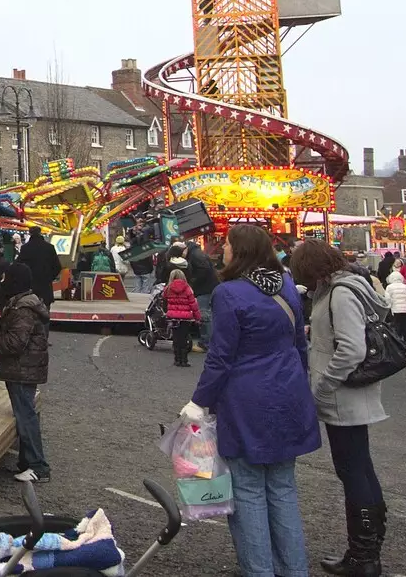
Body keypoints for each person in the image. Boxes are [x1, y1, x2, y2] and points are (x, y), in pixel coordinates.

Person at [190, 223, 318, 577]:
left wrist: (199, 400)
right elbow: (299, 345)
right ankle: (294, 571)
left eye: (228, 245)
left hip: (246, 401)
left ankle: (259, 570)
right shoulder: (288, 286)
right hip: (288, 394)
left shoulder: (228, 293)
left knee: (247, 491)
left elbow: (220, 357)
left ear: (239, 252)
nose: (224, 250)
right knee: (283, 489)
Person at [288, 239, 390, 577]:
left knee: (353, 471)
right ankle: (368, 549)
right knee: (361, 469)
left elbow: (350, 349)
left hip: (342, 397)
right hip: (350, 396)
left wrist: (322, 385)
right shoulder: (343, 287)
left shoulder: (341, 293)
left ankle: (363, 556)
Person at [0, 260, 51, 483]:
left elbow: (16, 342)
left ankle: (38, 466)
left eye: (6, 277)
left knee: (26, 416)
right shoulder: (26, 303)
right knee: (24, 414)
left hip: (22, 369)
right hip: (25, 368)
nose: (3, 281)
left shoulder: (22, 308)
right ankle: (27, 461)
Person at [182, 239, 220, 350]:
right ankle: (209, 341)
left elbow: (203, 270)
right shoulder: (196, 253)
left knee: (204, 315)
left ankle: (206, 343)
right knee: (208, 314)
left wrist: (193, 282)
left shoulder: (195, 255)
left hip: (205, 288)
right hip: (209, 286)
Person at [162, 267, 202, 367]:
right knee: (184, 338)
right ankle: (184, 360)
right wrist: (197, 318)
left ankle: (177, 359)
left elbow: (164, 299)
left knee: (175, 338)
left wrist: (167, 312)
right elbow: (193, 305)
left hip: (173, 317)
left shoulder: (168, 288)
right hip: (185, 318)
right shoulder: (187, 288)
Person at [16, 225, 60, 306]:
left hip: (30, 285)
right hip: (45, 284)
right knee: (45, 309)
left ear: (30, 233)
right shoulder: (49, 247)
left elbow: (19, 265)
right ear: (40, 233)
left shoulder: (25, 248)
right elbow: (57, 266)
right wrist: (50, 277)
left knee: (31, 309)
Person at [383, 267, 406, 344]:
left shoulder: (389, 287)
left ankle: (397, 338)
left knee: (397, 324)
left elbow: (387, 298)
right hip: (405, 308)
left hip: (395, 309)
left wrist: (390, 306)